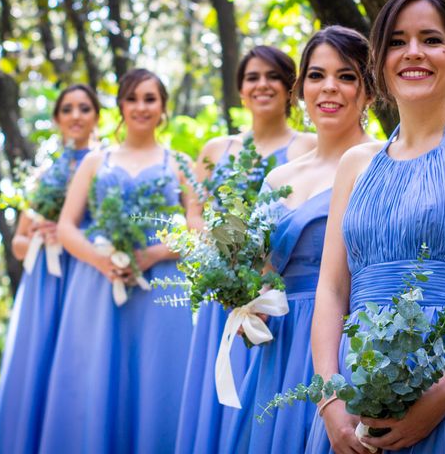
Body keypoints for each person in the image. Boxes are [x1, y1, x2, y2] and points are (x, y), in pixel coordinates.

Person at [307, 0, 445, 454]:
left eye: (431, 39)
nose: (413, 53)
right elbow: (331, 290)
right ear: (379, 59)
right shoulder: (355, 163)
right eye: (396, 41)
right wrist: (330, 398)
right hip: (355, 384)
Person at [220, 26, 374, 454]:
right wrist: (248, 301)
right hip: (282, 346)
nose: (329, 88)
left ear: (371, 91)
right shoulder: (279, 177)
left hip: (348, 341)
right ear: (300, 88)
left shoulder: (383, 163)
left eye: (347, 76)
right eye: (316, 75)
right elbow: (266, 273)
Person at [38, 69, 195, 453]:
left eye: (150, 99)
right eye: (132, 98)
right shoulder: (96, 160)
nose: (141, 107)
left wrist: (152, 254)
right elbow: (67, 227)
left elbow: (199, 231)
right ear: (120, 105)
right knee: (96, 381)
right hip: (97, 286)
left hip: (160, 288)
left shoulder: (180, 163)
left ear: (163, 108)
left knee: (158, 382)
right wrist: (102, 260)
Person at [176, 45, 316, 454]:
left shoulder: (309, 146)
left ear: (292, 89)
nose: (263, 85)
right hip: (227, 294)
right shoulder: (215, 151)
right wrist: (221, 254)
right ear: (240, 90)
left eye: (274, 76)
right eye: (253, 77)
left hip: (279, 295)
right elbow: (194, 213)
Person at [0, 84, 100, 453]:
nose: (75, 116)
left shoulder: (105, 167)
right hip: (45, 283)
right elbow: (18, 245)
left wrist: (71, 233)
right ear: (56, 119)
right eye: (67, 109)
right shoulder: (43, 175)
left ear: (96, 117)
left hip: (86, 275)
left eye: (84, 108)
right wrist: (41, 235)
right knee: (38, 364)